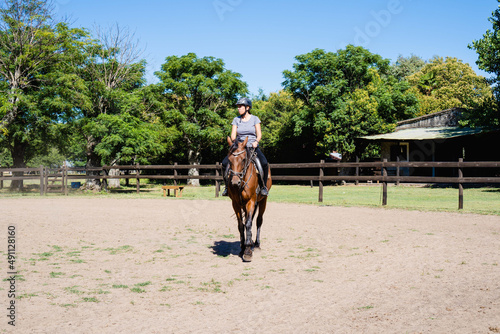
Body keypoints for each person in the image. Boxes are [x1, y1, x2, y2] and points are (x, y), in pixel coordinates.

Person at [222, 97, 269, 196]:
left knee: (264, 163)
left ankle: (263, 187)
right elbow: (233, 135)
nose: (238, 108)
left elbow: (259, 134)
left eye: (240, 106)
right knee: (224, 163)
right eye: (238, 107)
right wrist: (237, 143)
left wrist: (256, 141)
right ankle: (226, 187)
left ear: (247, 108)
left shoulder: (255, 119)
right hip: (239, 147)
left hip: (252, 147)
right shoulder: (236, 120)